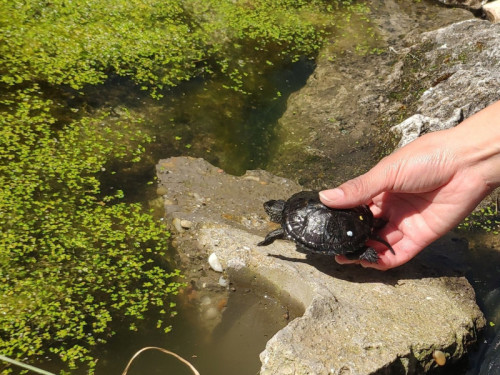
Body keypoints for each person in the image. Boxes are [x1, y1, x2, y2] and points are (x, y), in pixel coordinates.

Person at [319, 99, 500, 270]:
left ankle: (365, 246)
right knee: (363, 242)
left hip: (361, 224)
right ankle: (366, 244)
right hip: (363, 222)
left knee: (361, 245)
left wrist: (461, 161)